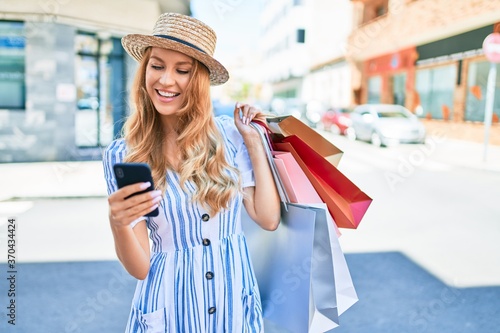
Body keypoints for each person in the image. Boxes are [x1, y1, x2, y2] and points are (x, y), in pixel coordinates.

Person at [102, 12, 280, 333]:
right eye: (157, 66)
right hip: (170, 310)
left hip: (233, 306)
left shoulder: (229, 135)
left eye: (182, 70)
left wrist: (253, 140)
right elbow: (141, 268)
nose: (166, 80)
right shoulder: (123, 154)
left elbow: (268, 218)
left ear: (197, 80)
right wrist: (118, 223)